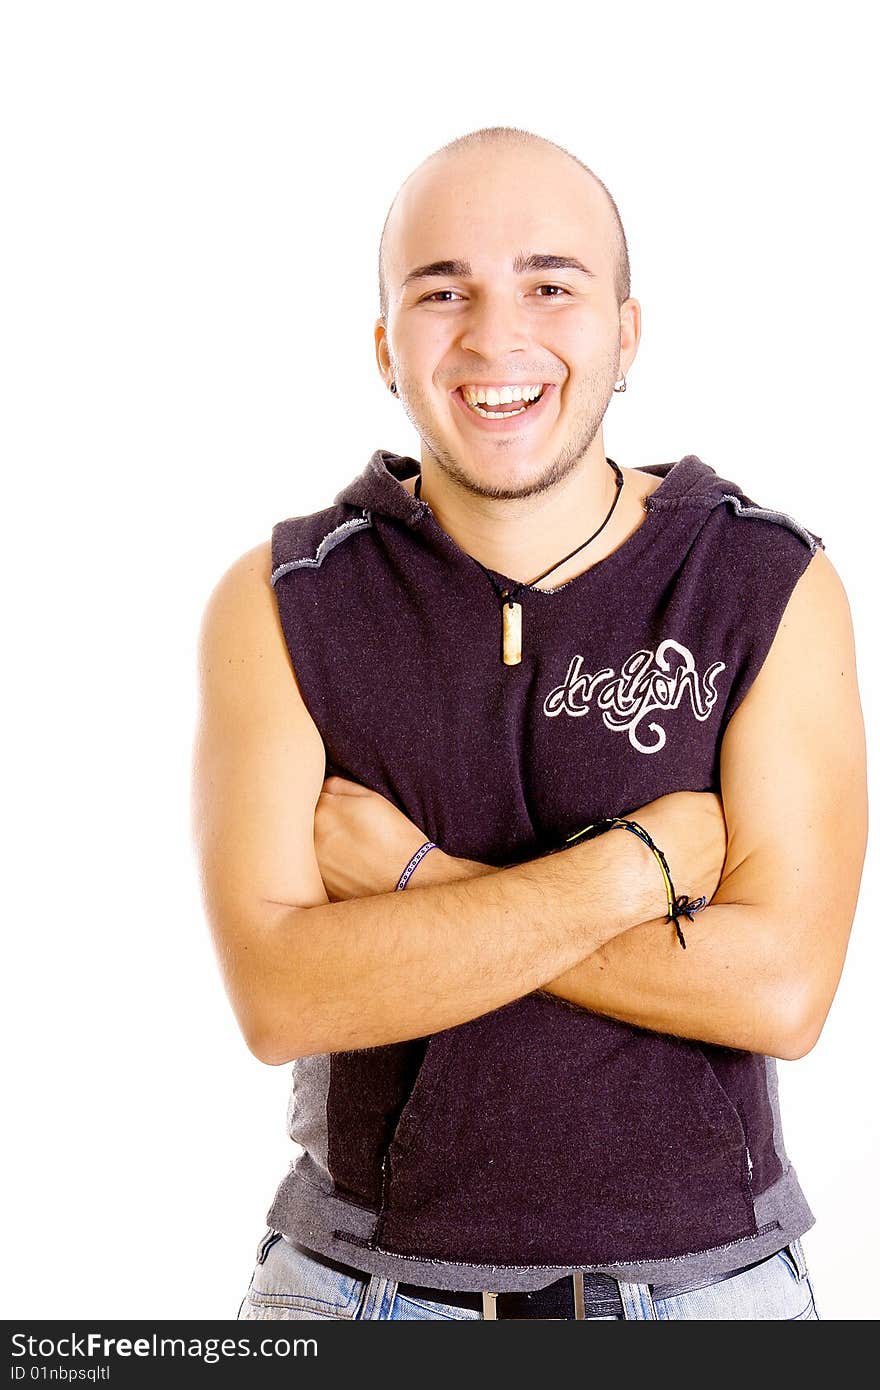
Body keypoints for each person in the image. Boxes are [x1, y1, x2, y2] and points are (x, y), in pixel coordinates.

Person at [191, 126, 867, 1321]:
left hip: (714, 1291)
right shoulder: (284, 600)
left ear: (626, 331)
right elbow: (281, 995)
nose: (496, 339)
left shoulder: (764, 584)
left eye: (549, 286)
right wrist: (635, 872)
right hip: (362, 1294)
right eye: (442, 292)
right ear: (386, 346)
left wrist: (414, 880)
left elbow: (779, 993)